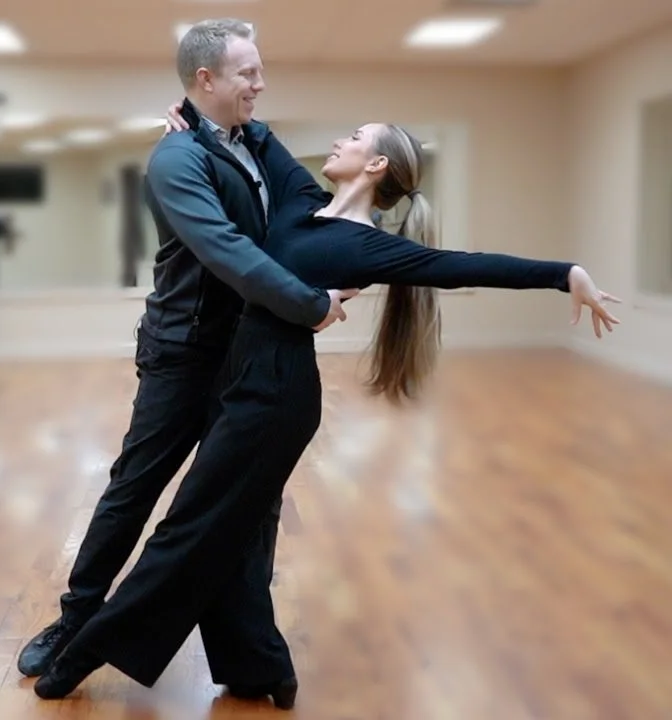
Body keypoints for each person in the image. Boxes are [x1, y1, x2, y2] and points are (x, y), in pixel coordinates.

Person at [32, 117, 620, 703]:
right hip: (238, 381)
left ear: (376, 165)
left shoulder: (369, 246)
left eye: (356, 137)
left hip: (275, 397)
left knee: (187, 529)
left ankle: (84, 651)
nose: (340, 141)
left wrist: (564, 274)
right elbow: (255, 132)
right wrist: (190, 122)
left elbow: (466, 264)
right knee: (235, 538)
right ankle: (263, 671)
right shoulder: (299, 200)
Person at [15, 18, 355, 702]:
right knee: (134, 490)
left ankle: (252, 656)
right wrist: (309, 303)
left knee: (247, 512)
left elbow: (304, 213)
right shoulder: (177, 160)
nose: (260, 84)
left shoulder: (248, 146)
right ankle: (74, 622)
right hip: (181, 354)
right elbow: (226, 250)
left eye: (260, 71)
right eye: (246, 73)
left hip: (245, 358)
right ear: (206, 80)